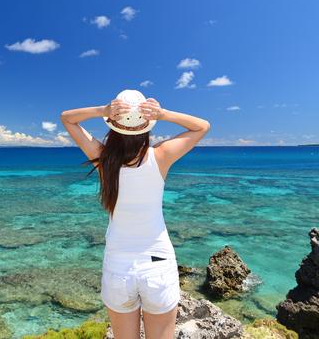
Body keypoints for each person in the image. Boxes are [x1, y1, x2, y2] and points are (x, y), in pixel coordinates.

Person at [60, 89, 210, 339]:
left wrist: (103, 111)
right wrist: (163, 114)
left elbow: (67, 118)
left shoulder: (103, 160)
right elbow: (202, 127)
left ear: (113, 127)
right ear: (146, 127)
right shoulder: (160, 156)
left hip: (118, 268)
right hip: (158, 264)